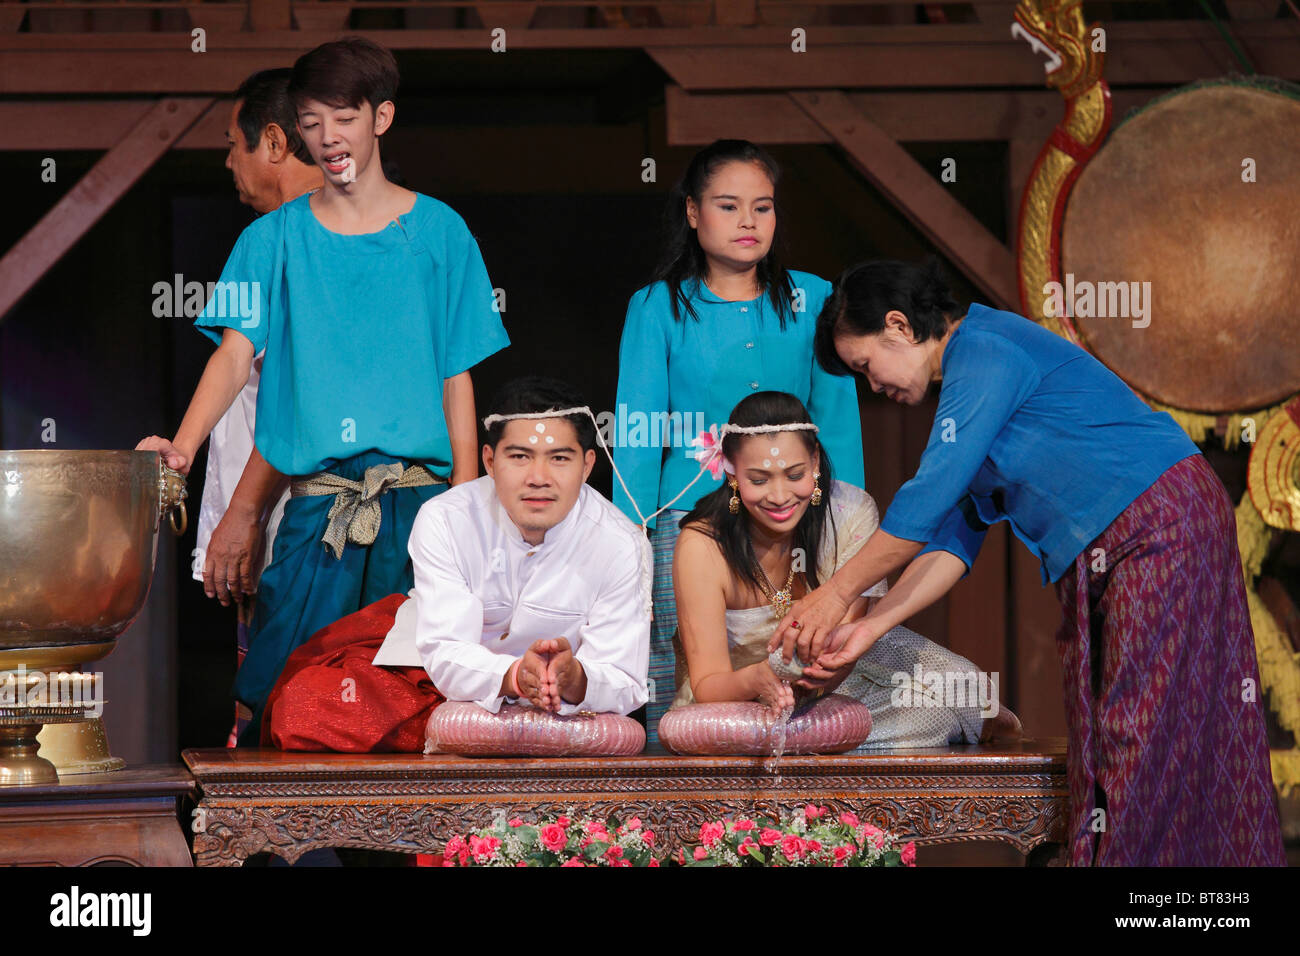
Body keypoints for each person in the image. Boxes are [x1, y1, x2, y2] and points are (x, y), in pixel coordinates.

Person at [773, 258, 1285, 866]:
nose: (873, 385)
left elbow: (928, 497)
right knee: (1115, 734)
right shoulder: (966, 390)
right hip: (1125, 545)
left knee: (1142, 734)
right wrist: (866, 628)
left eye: (865, 366)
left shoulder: (985, 350)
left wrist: (831, 596)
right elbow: (949, 540)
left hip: (1159, 524)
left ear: (899, 326)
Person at [137, 37, 508, 744]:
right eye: (312, 121)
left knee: (421, 712)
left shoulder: (439, 232)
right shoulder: (271, 240)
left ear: (381, 117)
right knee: (284, 703)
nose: (328, 136)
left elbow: (456, 376)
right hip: (318, 514)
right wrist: (181, 448)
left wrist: (465, 504)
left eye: (344, 116)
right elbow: (234, 355)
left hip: (421, 506)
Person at [614, 139, 864, 745]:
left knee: (806, 671)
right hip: (685, 517)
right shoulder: (656, 307)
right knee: (673, 672)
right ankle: (673, 827)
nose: (749, 221)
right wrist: (630, 542)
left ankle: (800, 831)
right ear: (694, 213)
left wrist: (846, 527)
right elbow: (637, 430)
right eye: (728, 206)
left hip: (795, 517)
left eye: (763, 206)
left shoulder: (813, 301)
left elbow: (836, 423)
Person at [262, 378, 651, 751]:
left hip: (562, 701)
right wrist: (515, 676)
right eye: (519, 457)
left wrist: (576, 679)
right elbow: (446, 649)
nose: (538, 478)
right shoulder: (446, 519)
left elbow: (625, 679)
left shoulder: (621, 544)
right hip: (432, 686)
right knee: (306, 709)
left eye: (559, 459)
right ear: (489, 460)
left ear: (586, 466)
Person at [671, 391, 1015, 747]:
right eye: (758, 480)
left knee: (964, 688)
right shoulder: (702, 545)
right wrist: (761, 678)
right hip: (734, 704)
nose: (778, 495)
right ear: (731, 471)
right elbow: (709, 684)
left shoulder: (851, 512)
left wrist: (812, 673)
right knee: (928, 717)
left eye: (795, 474)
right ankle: (821, 739)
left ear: (815, 461)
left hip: (838, 685)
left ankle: (977, 719)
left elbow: (846, 651)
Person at [199, 68, 324, 747]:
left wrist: (245, 516)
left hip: (304, 531)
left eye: (233, 142)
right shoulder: (267, 240)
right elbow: (238, 368)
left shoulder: (307, 242)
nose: (228, 160)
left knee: (297, 730)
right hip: (274, 530)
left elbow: (300, 401)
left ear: (272, 142)